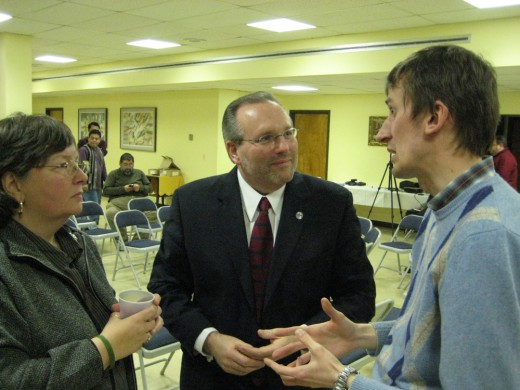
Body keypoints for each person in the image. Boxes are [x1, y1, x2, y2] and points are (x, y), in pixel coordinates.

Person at [261, 45, 520, 389]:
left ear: (434, 118)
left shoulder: (481, 236)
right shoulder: (448, 209)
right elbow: (433, 331)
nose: (382, 133)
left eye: (393, 112)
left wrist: (344, 380)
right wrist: (361, 335)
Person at [148, 91, 376, 389]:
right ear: (234, 151)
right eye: (267, 138)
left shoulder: (330, 204)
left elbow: (358, 295)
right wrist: (209, 340)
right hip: (214, 377)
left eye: (288, 133)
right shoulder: (193, 204)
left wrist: (303, 337)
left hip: (301, 375)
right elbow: (166, 288)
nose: (284, 147)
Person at [0, 113, 163, 388]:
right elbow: (10, 379)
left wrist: (130, 325)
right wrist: (105, 349)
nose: (81, 177)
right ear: (15, 184)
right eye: (64, 165)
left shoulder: (80, 244)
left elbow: (101, 326)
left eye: (78, 163)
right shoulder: (7, 268)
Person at [103, 153, 155, 241]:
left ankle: (138, 239)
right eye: (125, 164)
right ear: (120, 164)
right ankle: (122, 240)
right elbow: (106, 190)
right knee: (110, 213)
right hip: (118, 203)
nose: (128, 167)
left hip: (138, 202)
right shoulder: (113, 174)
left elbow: (150, 188)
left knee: (154, 214)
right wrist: (123, 189)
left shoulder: (139, 173)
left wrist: (140, 188)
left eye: (130, 164)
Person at [79, 128, 107, 207]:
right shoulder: (84, 150)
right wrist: (83, 183)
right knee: (92, 208)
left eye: (96, 139)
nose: (94, 140)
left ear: (99, 140)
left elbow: (103, 167)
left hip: (98, 185)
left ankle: (96, 220)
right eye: (92, 138)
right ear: (88, 138)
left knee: (97, 207)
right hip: (88, 186)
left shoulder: (99, 151)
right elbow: (81, 168)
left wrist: (107, 181)